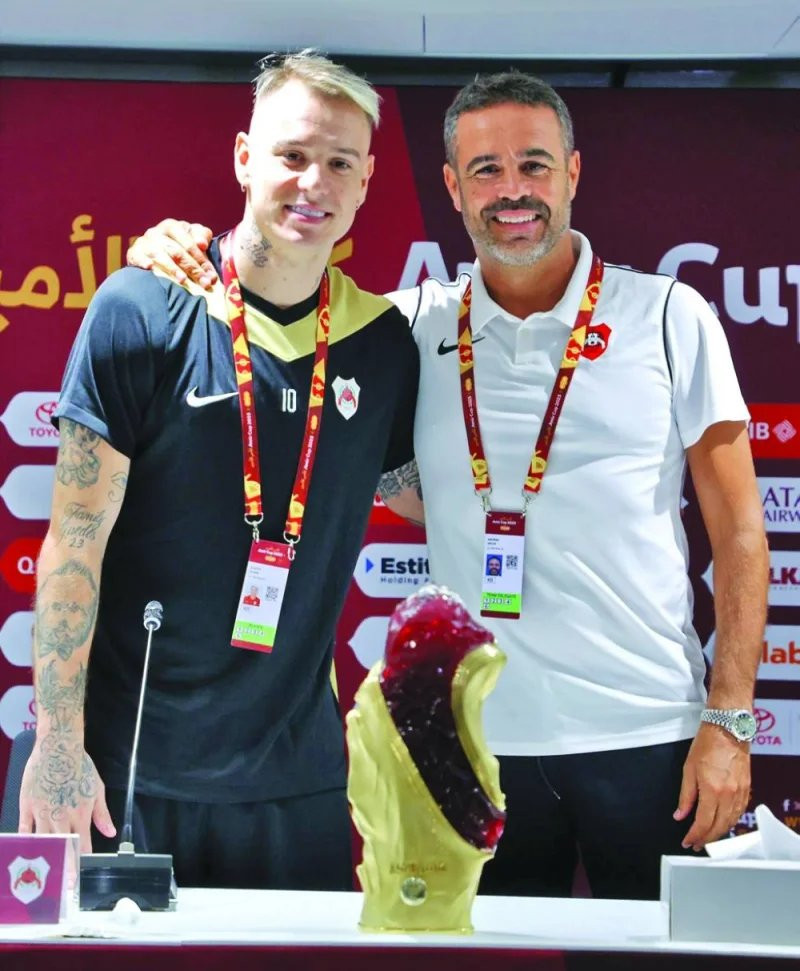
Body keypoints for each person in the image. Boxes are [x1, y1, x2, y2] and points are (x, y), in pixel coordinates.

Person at [126, 70, 768, 900]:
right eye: (486, 169)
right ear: (453, 188)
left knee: (664, 957)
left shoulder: (671, 317)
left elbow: (740, 533)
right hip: (477, 747)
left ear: (573, 173)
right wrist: (175, 247)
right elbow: (274, 291)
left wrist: (729, 720)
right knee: (492, 958)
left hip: (651, 735)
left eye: (534, 165)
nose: (512, 191)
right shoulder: (404, 328)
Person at [20, 51, 420, 892]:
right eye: (292, 154)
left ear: (366, 181)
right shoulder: (141, 309)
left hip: (295, 787)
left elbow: (423, 495)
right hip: (127, 771)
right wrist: (57, 743)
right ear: (244, 157)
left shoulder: (382, 343)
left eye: (339, 162)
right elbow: (73, 541)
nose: (313, 182)